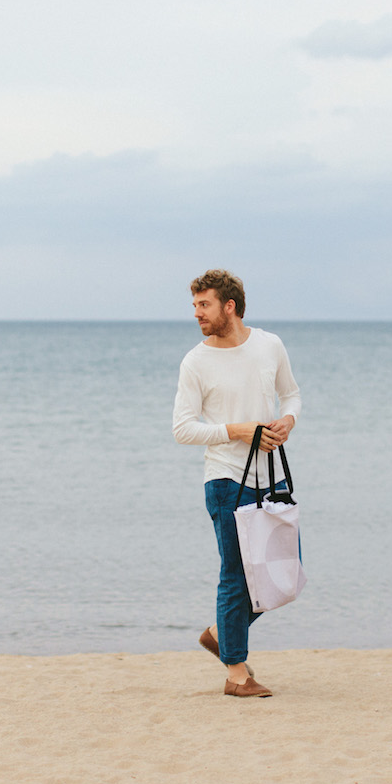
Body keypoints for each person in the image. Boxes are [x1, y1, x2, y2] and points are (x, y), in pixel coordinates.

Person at [172, 269, 302, 697]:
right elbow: (183, 429)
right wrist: (238, 430)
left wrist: (287, 420)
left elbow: (292, 394)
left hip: (272, 478)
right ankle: (236, 675)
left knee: (284, 573)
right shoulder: (196, 361)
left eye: (204, 304)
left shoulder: (269, 345)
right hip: (226, 478)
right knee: (236, 577)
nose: (197, 313)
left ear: (230, 306)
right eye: (194, 305)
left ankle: (218, 633)